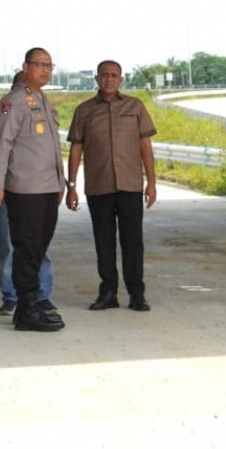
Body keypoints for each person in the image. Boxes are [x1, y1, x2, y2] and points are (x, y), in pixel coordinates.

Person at [66, 60, 158, 312]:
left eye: (114, 75)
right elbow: (76, 148)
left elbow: (145, 147)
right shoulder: (84, 111)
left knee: (133, 242)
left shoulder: (135, 107)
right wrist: (71, 185)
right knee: (103, 241)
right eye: (104, 75)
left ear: (121, 79)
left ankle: (136, 294)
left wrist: (151, 182)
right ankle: (108, 293)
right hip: (99, 187)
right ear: (96, 78)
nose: (109, 79)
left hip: (130, 185)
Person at [0, 48, 66, 332]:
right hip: (25, 188)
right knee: (26, 247)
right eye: (39, 65)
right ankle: (27, 305)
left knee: (39, 245)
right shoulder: (14, 102)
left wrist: (61, 182)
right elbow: (2, 144)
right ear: (25, 67)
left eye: (49, 65)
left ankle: (27, 308)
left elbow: (52, 148)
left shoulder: (43, 100)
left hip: (47, 188)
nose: (45, 70)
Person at [0, 70, 56, 316]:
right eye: (23, 86)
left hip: (37, 189)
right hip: (9, 190)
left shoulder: (44, 111)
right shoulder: (4, 110)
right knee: (11, 244)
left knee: (41, 245)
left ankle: (42, 296)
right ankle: (11, 296)